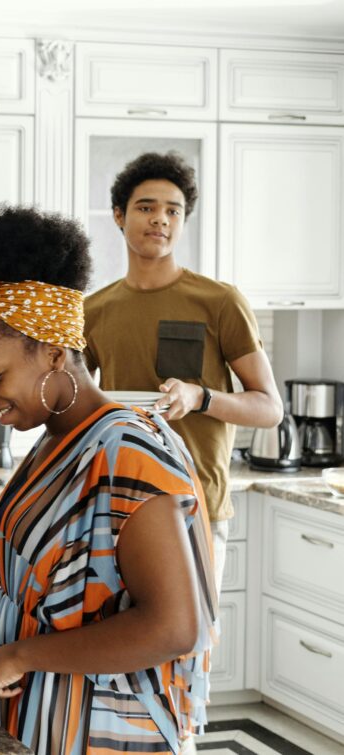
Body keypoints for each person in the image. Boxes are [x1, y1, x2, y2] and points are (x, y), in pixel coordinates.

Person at [0, 206, 217, 754]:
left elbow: (175, 626)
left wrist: (19, 656)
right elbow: (42, 598)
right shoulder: (55, 440)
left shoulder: (128, 454)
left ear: (55, 352)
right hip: (33, 716)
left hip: (99, 730)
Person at [84, 151, 281, 587]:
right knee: (119, 649)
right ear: (118, 216)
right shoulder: (93, 310)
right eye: (146, 207)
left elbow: (269, 408)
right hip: (119, 502)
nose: (161, 219)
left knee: (190, 646)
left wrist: (200, 397)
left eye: (173, 210)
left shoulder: (219, 301)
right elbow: (75, 402)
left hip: (195, 503)